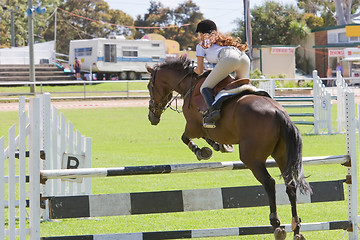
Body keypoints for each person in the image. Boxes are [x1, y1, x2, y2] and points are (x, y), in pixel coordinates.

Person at [193, 19, 250, 128]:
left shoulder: (201, 46)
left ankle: (214, 113)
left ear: (204, 34)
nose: (199, 36)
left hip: (229, 58)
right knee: (241, 86)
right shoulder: (222, 41)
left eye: (200, 34)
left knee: (204, 88)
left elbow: (199, 71)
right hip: (243, 58)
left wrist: (193, 69)